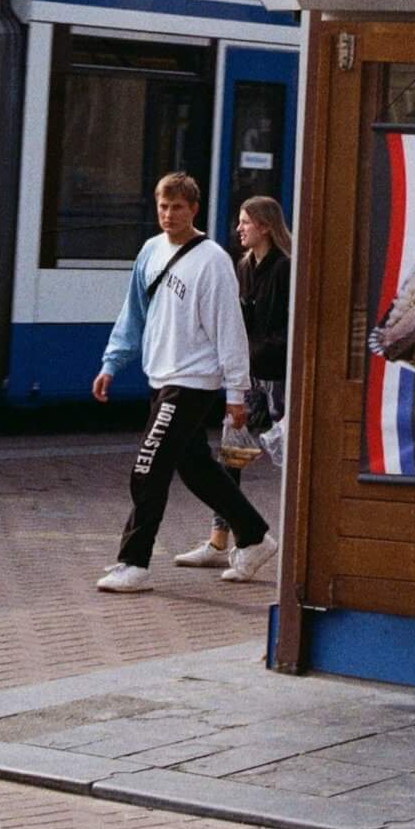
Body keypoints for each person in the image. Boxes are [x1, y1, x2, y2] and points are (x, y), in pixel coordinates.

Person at [91, 171, 277, 592]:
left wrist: (236, 392)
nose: (169, 214)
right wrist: (111, 364)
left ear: (194, 209)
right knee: (195, 468)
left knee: (148, 466)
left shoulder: (211, 260)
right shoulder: (150, 251)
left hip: (192, 380)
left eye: (177, 207)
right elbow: (133, 314)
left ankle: (133, 563)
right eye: (162, 206)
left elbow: (229, 329)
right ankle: (253, 536)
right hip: (161, 374)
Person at [175, 193, 293, 572]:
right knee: (231, 457)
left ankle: (291, 539)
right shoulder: (243, 267)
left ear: (265, 226)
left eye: (245, 222)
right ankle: (220, 540)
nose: (239, 228)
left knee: (290, 459)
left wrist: (251, 351)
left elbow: (285, 329)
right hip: (246, 378)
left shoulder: (285, 269)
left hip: (275, 380)